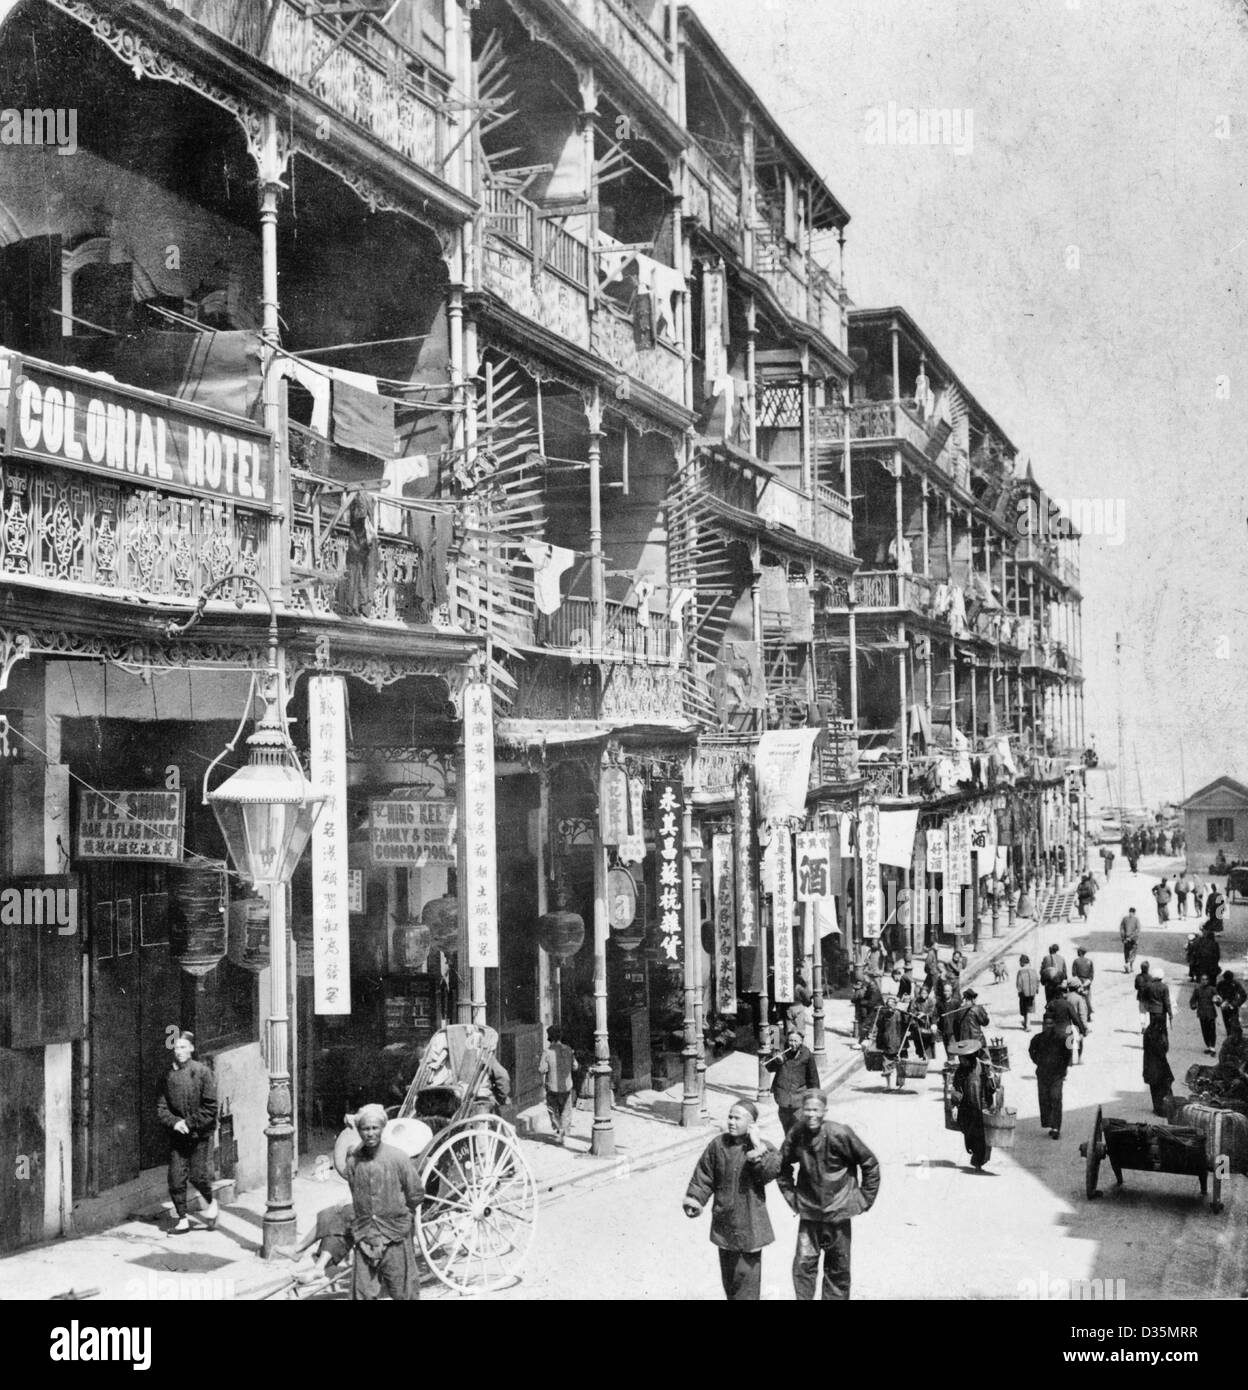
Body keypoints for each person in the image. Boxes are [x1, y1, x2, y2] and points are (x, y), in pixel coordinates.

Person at [776, 1089, 880, 1300]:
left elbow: (870, 1164)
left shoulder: (840, 1133)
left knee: (838, 1270)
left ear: (825, 1111)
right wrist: (792, 1197)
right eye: (807, 1110)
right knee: (804, 1267)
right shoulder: (797, 1133)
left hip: (838, 1214)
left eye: (816, 1110)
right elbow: (781, 1165)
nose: (811, 1115)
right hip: (809, 1215)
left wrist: (863, 1199)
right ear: (802, 1111)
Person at [683, 1100, 780, 1301]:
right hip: (724, 1224)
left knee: (746, 1287)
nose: (732, 1122)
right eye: (730, 1117)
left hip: (750, 1227)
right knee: (730, 1284)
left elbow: (768, 1172)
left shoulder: (764, 1147)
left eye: (738, 1118)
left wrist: (757, 1147)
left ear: (752, 1123)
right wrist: (695, 1198)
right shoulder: (718, 1145)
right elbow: (705, 1175)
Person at [343, 1103, 425, 1300]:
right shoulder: (354, 1162)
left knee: (403, 1292)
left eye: (374, 1128)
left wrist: (399, 1216)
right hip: (365, 1235)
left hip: (394, 1234)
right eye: (365, 1129)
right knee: (361, 1294)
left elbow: (415, 1194)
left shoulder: (398, 1158)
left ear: (382, 1129)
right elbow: (355, 1193)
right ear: (359, 1131)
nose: (370, 1133)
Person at [157, 1032, 219, 1235]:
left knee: (198, 1176)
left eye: (184, 1047)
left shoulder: (202, 1072)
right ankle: (182, 1219)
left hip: (198, 1134)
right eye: (176, 1048)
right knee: (175, 1178)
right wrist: (175, 1123)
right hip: (178, 1135)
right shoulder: (168, 1075)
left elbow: (210, 1108)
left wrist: (189, 1123)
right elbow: (161, 1108)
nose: (180, 1052)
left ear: (191, 1048)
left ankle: (211, 1201)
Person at [950, 1039, 998, 1170]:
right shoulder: (960, 1071)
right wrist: (954, 1103)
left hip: (982, 1107)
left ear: (970, 1057)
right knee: (970, 1134)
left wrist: (990, 1076)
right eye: (960, 1059)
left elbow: (992, 1089)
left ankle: (978, 1162)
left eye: (963, 1059)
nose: (961, 1061)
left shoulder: (983, 1068)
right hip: (967, 1108)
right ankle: (976, 1156)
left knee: (981, 1137)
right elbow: (956, 1088)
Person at [766, 1022, 821, 1133]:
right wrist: (776, 1060)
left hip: (799, 1099)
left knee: (798, 1130)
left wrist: (815, 1097)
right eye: (790, 1040)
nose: (793, 1044)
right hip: (783, 1098)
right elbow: (769, 1067)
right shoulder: (781, 1051)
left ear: (801, 1041)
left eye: (796, 1041)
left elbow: (813, 1077)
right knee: (787, 1130)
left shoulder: (806, 1054)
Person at [1029, 1016, 1070, 1139]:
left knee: (1056, 1098)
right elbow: (1031, 1051)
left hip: (1057, 1075)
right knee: (1045, 1099)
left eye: (1051, 1024)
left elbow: (1067, 1055)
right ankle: (1050, 1123)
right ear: (1043, 1025)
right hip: (1042, 1074)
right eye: (1046, 1024)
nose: (1048, 1026)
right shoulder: (1037, 1039)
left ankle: (1056, 1127)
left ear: (1054, 1025)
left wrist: (1062, 1068)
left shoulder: (1061, 1039)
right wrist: (1039, 1062)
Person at [538, 1025, 579, 1144]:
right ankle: (564, 1130)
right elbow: (575, 1066)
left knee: (553, 1109)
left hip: (552, 1087)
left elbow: (542, 1069)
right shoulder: (569, 1049)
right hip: (566, 1086)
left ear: (549, 1037)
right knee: (566, 1109)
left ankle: (559, 1128)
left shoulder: (547, 1052)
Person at [1142, 1018, 1174, 1116]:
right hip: (1159, 1065)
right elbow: (1164, 1049)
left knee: (1154, 1087)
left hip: (1149, 1064)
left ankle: (1157, 1107)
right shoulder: (1159, 1034)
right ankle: (1163, 1108)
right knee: (1163, 1086)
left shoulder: (1148, 1032)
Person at [1190, 973, 1220, 1055]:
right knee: (1204, 1030)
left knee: (1212, 1030)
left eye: (1206, 979)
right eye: (1202, 979)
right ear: (1200, 980)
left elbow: (1218, 1002)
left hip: (1211, 1013)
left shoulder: (1212, 989)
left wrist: (1217, 1001)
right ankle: (1208, 1046)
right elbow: (1193, 1000)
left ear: (1208, 980)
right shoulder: (1197, 989)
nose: (1204, 981)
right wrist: (1193, 1005)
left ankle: (1212, 1047)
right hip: (1202, 1013)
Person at [1142, 965, 1172, 1036]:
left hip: (1152, 1010)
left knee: (1153, 1028)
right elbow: (1166, 1001)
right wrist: (1170, 1013)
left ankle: (1153, 1044)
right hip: (1161, 1011)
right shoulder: (1164, 987)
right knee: (1162, 1028)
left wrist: (1147, 1006)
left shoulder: (1149, 986)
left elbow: (1144, 997)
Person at [1067, 981, 1090, 1063]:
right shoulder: (1078, 998)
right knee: (1080, 1041)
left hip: (1067, 1023)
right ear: (1077, 988)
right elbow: (1082, 1014)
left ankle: (1070, 1060)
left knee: (1069, 1041)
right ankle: (1079, 1058)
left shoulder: (1066, 997)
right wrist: (1085, 1026)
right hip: (1077, 1023)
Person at [1016, 954, 1040, 1031]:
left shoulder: (1020, 971)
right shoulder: (1033, 970)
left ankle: (1027, 1025)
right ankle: (1027, 1023)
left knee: (1024, 1008)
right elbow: (1037, 980)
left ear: (1022, 962)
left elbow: (1019, 983)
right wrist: (1036, 989)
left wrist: (1019, 991)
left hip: (1023, 993)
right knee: (1029, 1008)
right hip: (1032, 993)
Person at [1071, 947, 1095, 1019]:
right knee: (1087, 998)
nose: (1077, 952)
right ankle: (1088, 1015)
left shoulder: (1076, 961)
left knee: (1079, 998)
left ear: (1080, 952)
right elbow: (1091, 974)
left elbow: (1073, 973)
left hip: (1078, 981)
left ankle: (1080, 1015)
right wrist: (1087, 982)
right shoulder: (1089, 961)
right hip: (1087, 982)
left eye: (1078, 951)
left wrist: (1079, 982)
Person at [1133, 959, 1153, 1035]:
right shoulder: (1151, 977)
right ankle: (1150, 1027)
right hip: (1149, 997)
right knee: (1150, 1012)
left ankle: (1143, 1027)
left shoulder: (1138, 977)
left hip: (1141, 997)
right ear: (1148, 968)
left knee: (1142, 1013)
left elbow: (1135, 987)